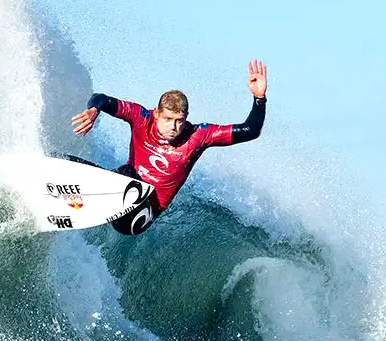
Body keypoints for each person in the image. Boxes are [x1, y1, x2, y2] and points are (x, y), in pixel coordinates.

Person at [70, 59, 268, 223]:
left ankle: (89, 197)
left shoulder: (198, 136)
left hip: (142, 215)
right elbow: (102, 98)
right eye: (167, 119)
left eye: (179, 121)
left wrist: (259, 98)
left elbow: (250, 131)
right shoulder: (141, 118)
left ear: (186, 117)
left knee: (128, 179)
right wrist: (94, 110)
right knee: (120, 172)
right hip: (124, 188)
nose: (173, 127)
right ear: (156, 113)